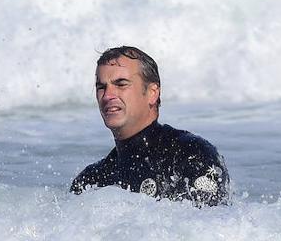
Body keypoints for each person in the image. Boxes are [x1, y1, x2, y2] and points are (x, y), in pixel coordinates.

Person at [70, 45, 230, 207]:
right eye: (101, 87)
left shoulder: (191, 154)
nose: (108, 95)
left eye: (121, 84)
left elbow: (212, 225)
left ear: (153, 92)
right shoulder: (92, 180)